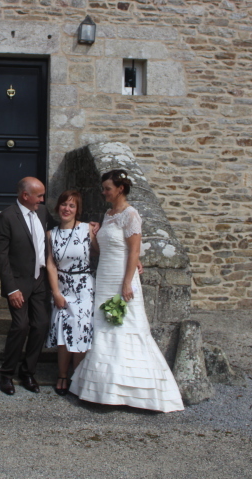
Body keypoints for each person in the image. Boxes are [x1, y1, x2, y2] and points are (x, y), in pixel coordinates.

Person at [70, 169, 184, 412]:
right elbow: (101, 250)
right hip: (104, 276)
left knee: (127, 326)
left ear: (120, 189)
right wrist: (92, 233)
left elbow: (134, 251)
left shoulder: (131, 214)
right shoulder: (108, 214)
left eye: (107, 189)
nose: (103, 193)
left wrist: (127, 283)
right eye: (103, 189)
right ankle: (101, 390)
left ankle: (134, 392)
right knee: (103, 327)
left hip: (121, 278)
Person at [0, 177, 54, 396]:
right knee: (20, 326)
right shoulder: (6, 217)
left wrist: (87, 226)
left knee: (41, 324)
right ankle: (7, 373)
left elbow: (60, 229)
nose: (42, 199)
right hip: (18, 282)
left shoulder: (43, 212)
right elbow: (1, 256)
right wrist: (11, 289)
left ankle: (28, 372)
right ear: (25, 195)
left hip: (40, 280)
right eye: (39, 195)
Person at [45, 190, 97, 396]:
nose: (67, 209)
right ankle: (62, 375)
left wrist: (134, 261)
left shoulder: (88, 229)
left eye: (72, 205)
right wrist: (56, 293)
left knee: (81, 330)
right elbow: (51, 265)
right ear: (58, 207)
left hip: (84, 287)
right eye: (64, 204)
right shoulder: (51, 234)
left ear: (78, 210)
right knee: (63, 331)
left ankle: (78, 376)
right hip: (63, 288)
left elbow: (107, 252)